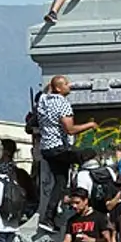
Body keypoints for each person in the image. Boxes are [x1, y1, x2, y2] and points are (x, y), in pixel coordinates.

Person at [34, 76, 97, 232]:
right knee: (88, 153)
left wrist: (52, 84)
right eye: (67, 84)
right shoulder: (63, 104)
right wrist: (90, 125)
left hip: (46, 149)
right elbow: (70, 129)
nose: (70, 86)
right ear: (59, 88)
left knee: (60, 183)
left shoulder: (43, 100)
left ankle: (49, 218)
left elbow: (47, 89)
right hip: (59, 148)